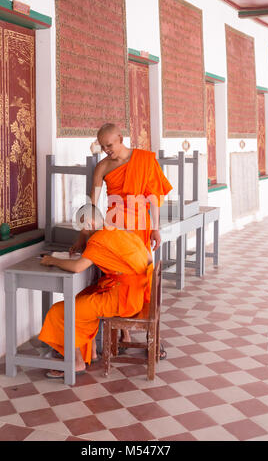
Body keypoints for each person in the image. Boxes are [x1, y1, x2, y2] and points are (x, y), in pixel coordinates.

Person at [69, 123, 172, 345]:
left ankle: (152, 336)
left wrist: (155, 227)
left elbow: (153, 196)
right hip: (114, 226)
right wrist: (82, 237)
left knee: (144, 279)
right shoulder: (102, 167)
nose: (107, 150)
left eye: (110, 145)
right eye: (103, 146)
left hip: (140, 227)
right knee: (114, 279)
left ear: (121, 138)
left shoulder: (144, 159)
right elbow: (92, 205)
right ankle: (123, 332)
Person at [38, 203, 153, 378]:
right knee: (85, 295)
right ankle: (89, 353)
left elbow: (77, 267)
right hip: (135, 294)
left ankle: (76, 362)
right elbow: (148, 256)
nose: (82, 233)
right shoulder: (116, 230)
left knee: (62, 311)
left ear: (91, 223)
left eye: (82, 229)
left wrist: (51, 261)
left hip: (123, 299)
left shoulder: (99, 239)